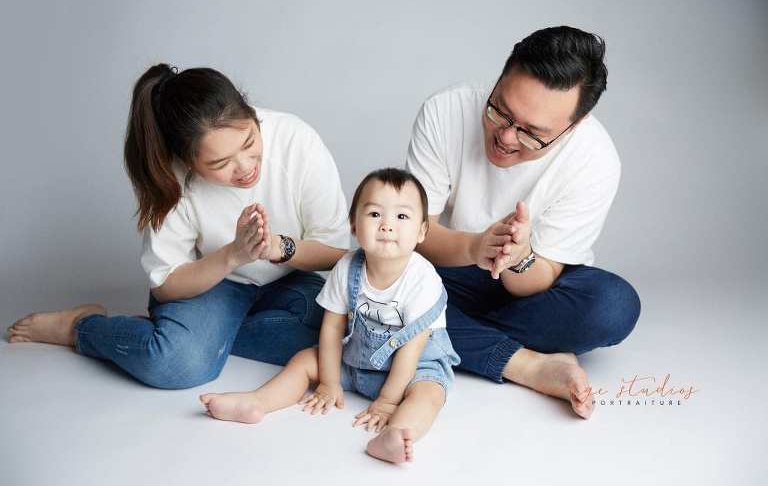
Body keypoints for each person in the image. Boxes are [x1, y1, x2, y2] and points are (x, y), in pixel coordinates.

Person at [7, 64, 350, 389]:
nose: (245, 167)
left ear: (250, 113)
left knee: (351, 337)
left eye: (249, 143)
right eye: (220, 163)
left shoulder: (296, 140)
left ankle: (198, 336)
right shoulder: (173, 177)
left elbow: (335, 252)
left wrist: (278, 247)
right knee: (177, 362)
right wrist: (233, 255)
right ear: (189, 162)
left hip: (286, 280)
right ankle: (81, 327)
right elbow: (166, 285)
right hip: (212, 284)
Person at [406, 26, 641, 419]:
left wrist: (518, 258)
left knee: (613, 306)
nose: (506, 137)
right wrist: (475, 247)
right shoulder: (445, 111)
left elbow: (542, 275)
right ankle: (529, 363)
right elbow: (415, 234)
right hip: (450, 267)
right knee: (370, 274)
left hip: (534, 286)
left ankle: (426, 330)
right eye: (500, 111)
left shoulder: (595, 158)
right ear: (500, 76)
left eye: (532, 134)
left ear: (572, 126)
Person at [199, 168, 460, 465]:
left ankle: (395, 434)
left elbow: (412, 350)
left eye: (402, 216)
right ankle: (258, 401)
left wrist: (388, 401)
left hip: (413, 368)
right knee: (304, 360)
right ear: (354, 226)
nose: (387, 226)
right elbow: (332, 329)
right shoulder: (347, 268)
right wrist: (329, 381)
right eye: (375, 214)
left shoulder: (423, 279)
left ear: (422, 231)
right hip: (357, 359)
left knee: (429, 395)